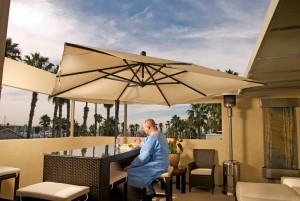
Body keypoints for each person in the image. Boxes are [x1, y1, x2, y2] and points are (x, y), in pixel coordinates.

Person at [124, 118, 169, 197]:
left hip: (156, 166)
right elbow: (152, 147)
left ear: (148, 127)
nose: (144, 131)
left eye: (145, 129)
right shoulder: (161, 135)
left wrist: (131, 165)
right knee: (137, 169)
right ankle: (147, 187)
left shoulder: (152, 138)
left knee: (127, 173)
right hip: (164, 164)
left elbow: (143, 157)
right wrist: (141, 143)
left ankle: (148, 191)